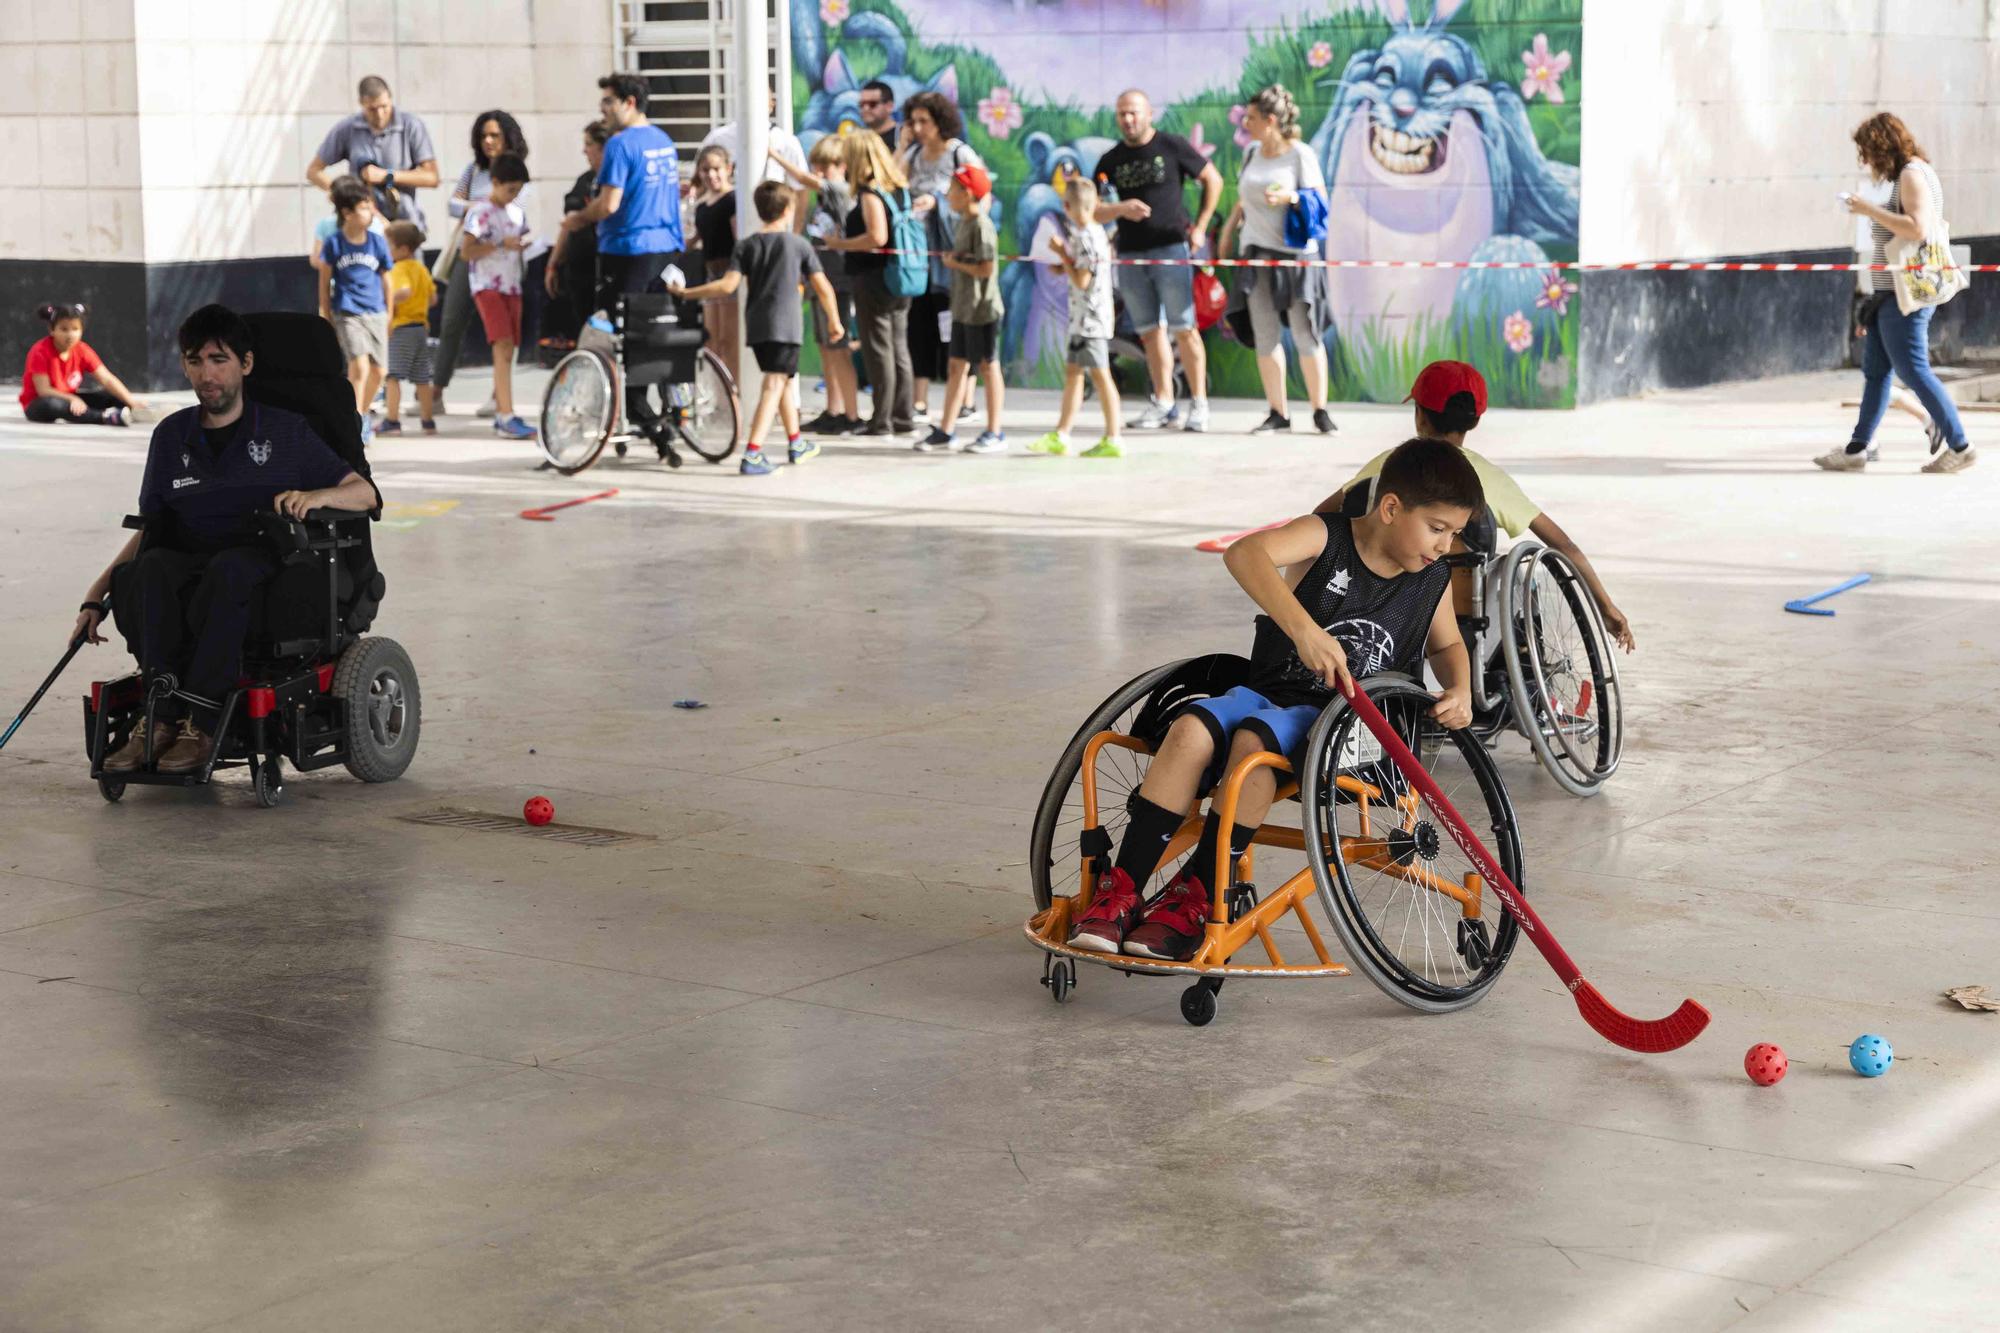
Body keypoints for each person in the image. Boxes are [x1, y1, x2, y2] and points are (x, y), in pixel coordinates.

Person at [1066, 438, 1482, 961]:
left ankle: (1196, 895)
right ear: (1392, 507)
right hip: (1267, 690)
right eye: (1437, 528)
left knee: (1253, 743)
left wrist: (1461, 687)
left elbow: (1447, 646)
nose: (1444, 545)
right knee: (1190, 729)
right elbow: (1244, 554)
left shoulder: (1431, 582)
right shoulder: (1325, 536)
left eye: (1454, 533)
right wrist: (1304, 631)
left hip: (1339, 726)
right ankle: (1121, 890)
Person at [74, 305, 378, 775]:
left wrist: (314, 496)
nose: (206, 374)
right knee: (148, 570)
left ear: (246, 365)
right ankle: (161, 719)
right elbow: (151, 529)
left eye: (219, 359)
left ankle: (203, 719)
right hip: (191, 554)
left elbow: (365, 494)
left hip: (264, 558)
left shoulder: (285, 431)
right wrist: (96, 596)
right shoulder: (171, 436)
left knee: (229, 570)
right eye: (195, 360)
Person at [1316, 360, 1636, 654]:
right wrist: (1605, 605)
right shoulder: (1487, 478)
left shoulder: (1390, 464)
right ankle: (1527, 667)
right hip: (1461, 620)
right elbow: (1562, 543)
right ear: (1476, 420)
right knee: (1522, 578)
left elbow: (1324, 516)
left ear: (1420, 416)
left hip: (1375, 607)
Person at [1817, 112, 1976, 475]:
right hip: (1888, 295)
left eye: (1867, 152)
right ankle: (1857, 449)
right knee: (1876, 372)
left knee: (1914, 370)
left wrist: (1866, 209)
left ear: (1881, 146)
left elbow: (1917, 228)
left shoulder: (1911, 174)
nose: (1865, 161)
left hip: (1904, 295)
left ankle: (1960, 445)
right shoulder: (1912, 172)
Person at [672, 181, 844, 476]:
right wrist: (835, 320)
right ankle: (753, 452)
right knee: (775, 384)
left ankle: (796, 443)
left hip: (758, 326)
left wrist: (688, 293)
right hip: (786, 326)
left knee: (783, 380)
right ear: (788, 210)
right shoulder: (799, 245)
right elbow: (823, 287)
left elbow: (727, 285)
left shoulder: (747, 245)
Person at [561, 72, 684, 462]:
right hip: (666, 250)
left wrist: (580, 218)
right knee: (652, 337)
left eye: (608, 102)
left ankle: (644, 419)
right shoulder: (663, 141)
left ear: (629, 102)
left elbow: (610, 204)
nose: (603, 110)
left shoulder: (620, 144)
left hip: (627, 251)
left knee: (613, 337)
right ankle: (664, 413)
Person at [1093, 88, 1223, 433]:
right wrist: (1122, 209)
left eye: (1134, 112)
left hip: (1171, 251)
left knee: (1185, 329)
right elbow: (1091, 208)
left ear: (1149, 114)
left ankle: (1199, 404)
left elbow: (1213, 178)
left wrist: (1201, 226)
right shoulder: (1111, 160)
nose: (1128, 119)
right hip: (1131, 256)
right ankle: (1164, 402)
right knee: (1150, 333)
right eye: (1122, 113)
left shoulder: (1172, 145)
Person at [1219, 83, 1336, 437]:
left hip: (1296, 255)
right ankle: (1277, 413)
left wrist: (1291, 197)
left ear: (1270, 120)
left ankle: (1320, 411)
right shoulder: (1252, 152)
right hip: (1256, 253)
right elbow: (1244, 200)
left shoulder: (1300, 154)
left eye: (1251, 119)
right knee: (1265, 334)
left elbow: (1321, 203)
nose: (1245, 125)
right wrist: (1229, 232)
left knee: (1304, 333)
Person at [435, 110, 531, 416]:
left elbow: (518, 209)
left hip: (507, 264)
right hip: (477, 255)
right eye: (484, 136)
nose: (488, 141)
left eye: (495, 135)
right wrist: (482, 206)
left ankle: (498, 397)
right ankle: (436, 390)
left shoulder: (516, 170)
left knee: (506, 336)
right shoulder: (474, 170)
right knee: (452, 319)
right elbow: (453, 203)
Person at [822, 131, 914, 438]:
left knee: (879, 350)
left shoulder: (870, 193)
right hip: (899, 277)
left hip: (874, 278)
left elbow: (877, 237)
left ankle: (882, 419)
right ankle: (903, 416)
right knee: (898, 348)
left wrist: (840, 243)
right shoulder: (898, 188)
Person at [898, 91, 982, 425]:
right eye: (913, 121)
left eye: (924, 121)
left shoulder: (959, 153)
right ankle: (919, 399)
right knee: (919, 325)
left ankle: (965, 398)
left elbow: (981, 193)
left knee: (956, 324)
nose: (918, 128)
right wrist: (902, 147)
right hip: (920, 253)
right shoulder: (915, 153)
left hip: (953, 251)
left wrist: (940, 205)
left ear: (940, 121)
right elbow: (889, 180)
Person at [1028, 179, 1120, 458]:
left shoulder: (1085, 236)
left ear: (1066, 206)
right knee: (1074, 373)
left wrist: (1061, 255)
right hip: (1081, 319)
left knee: (1101, 376)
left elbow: (1081, 279)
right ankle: (1062, 433)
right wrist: (1064, 264)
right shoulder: (1093, 233)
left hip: (1090, 319)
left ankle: (1113, 436)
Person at [920, 164, 1005, 454]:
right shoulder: (962, 223)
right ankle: (946, 429)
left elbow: (987, 268)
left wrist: (955, 263)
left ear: (968, 193)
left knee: (988, 366)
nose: (948, 194)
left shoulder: (982, 225)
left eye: (954, 189)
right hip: (963, 307)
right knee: (956, 365)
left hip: (982, 309)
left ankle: (995, 431)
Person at [460, 153, 537, 440]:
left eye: (518, 190)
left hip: (512, 285)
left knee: (508, 349)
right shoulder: (479, 212)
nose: (513, 196)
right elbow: (466, 252)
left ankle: (504, 411)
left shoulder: (517, 213)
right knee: (502, 344)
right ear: (495, 182)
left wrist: (518, 246)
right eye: (509, 189)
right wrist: (497, 245)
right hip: (487, 285)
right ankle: (506, 414)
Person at [306, 75, 440, 231]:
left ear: (391, 98)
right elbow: (313, 171)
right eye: (372, 109)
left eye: (384, 106)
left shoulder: (411, 125)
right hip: (364, 227)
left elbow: (432, 177)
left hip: (404, 226)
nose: (380, 114)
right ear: (361, 104)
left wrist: (386, 175)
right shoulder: (347, 128)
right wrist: (343, 194)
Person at [317, 177, 393, 426]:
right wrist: (325, 314)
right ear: (347, 213)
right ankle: (355, 422)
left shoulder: (377, 243)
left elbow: (387, 280)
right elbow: (324, 282)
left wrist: (390, 312)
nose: (369, 212)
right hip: (347, 312)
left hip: (377, 312)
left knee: (379, 371)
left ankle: (360, 411)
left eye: (369, 206)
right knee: (359, 367)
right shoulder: (334, 244)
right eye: (363, 207)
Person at [799, 133, 862, 434]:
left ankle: (851, 413)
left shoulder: (841, 192)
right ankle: (833, 408)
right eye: (817, 166)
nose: (819, 173)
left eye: (826, 166)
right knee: (825, 347)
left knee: (839, 348)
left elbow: (806, 180)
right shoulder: (822, 202)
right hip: (820, 277)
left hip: (837, 282)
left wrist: (773, 154)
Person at [18, 303, 147, 426]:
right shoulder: (40, 351)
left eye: (75, 329)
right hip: (39, 403)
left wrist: (131, 402)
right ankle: (104, 417)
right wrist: (72, 399)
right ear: (52, 330)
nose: (70, 335)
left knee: (112, 397)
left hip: (68, 397)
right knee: (53, 405)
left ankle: (129, 412)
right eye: (64, 329)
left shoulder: (82, 350)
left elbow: (107, 379)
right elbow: (43, 391)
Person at [545, 121, 612, 341]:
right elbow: (568, 224)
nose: (584, 151)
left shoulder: (615, 181)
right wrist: (553, 264)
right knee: (582, 330)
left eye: (589, 144)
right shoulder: (584, 181)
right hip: (579, 271)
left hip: (606, 269)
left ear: (603, 148)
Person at [689, 145, 742, 385]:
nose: (712, 175)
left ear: (728, 169)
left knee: (729, 339)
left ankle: (733, 390)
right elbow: (697, 238)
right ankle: (717, 390)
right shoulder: (701, 205)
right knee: (712, 338)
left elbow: (738, 238)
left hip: (730, 272)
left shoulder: (733, 199)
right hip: (710, 272)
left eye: (716, 169)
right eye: (706, 170)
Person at [379, 221, 437, 436]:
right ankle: (428, 421)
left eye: (389, 246)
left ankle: (392, 421)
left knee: (393, 376)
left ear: (403, 249)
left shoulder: (398, 268)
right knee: (422, 377)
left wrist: (386, 299)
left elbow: (404, 291)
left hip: (401, 328)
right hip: (421, 328)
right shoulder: (421, 268)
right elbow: (433, 298)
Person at [700, 93, 811, 187]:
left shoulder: (786, 141)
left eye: (759, 101)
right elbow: (699, 177)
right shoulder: (718, 138)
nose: (754, 106)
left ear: (771, 104)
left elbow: (800, 187)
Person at [859, 80, 900, 150]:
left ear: (889, 106)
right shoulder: (858, 139)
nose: (866, 109)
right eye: (862, 104)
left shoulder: (902, 136)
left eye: (872, 104)